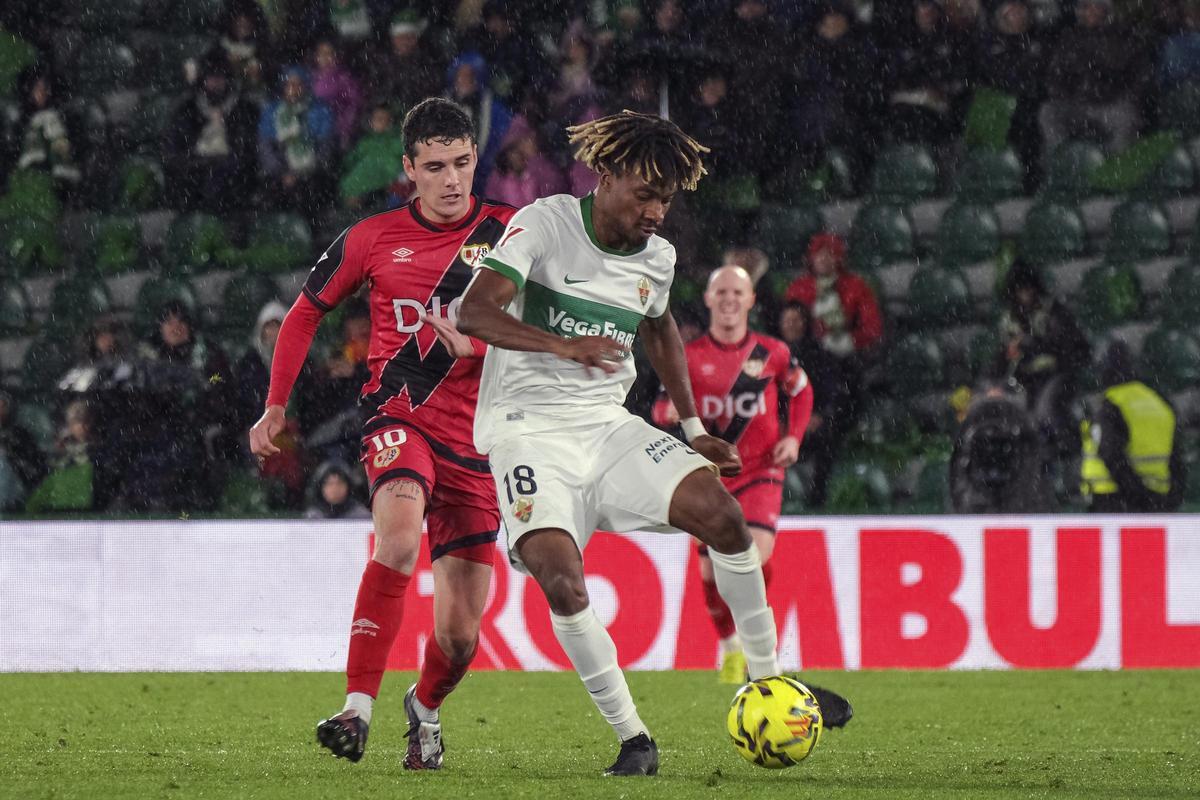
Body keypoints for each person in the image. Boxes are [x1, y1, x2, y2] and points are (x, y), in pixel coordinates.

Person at [458, 111, 786, 777]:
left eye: (665, 198)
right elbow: (474, 311)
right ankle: (634, 737)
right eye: (644, 193)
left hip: (606, 426)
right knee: (562, 579)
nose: (656, 211)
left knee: (724, 516)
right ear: (604, 177)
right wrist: (560, 344)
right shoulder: (545, 224)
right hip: (526, 430)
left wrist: (695, 430)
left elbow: (660, 329)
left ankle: (769, 683)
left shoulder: (657, 258)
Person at [249, 97, 517, 769]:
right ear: (409, 169)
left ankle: (423, 710)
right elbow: (305, 313)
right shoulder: (371, 237)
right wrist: (275, 405)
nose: (452, 180)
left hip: (480, 443)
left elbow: (542, 336)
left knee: (459, 638)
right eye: (435, 167)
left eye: (461, 163)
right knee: (396, 539)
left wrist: (477, 351)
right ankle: (355, 708)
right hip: (400, 419)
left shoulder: (512, 233)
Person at [650, 269, 848, 711]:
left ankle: (759, 648)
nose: (728, 299)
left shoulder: (773, 352)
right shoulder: (687, 354)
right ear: (707, 296)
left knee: (752, 557)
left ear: (751, 299)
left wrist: (794, 437)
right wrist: (672, 412)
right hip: (708, 475)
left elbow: (802, 391)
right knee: (708, 576)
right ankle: (730, 645)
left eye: (737, 292)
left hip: (760, 471)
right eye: (720, 290)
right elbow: (662, 404)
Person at [1080, 340, 1187, 512]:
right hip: (1157, 502)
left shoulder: (1111, 404)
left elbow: (1110, 454)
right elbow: (1176, 460)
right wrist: (1169, 500)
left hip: (1113, 500)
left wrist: (1136, 494)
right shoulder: (1161, 403)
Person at [1039, 0, 1148, 158]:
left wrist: (1125, 98)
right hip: (1077, 104)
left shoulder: (1125, 37)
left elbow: (1141, 76)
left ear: (1106, 10)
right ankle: (1064, 163)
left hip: (1113, 105)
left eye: (1096, 6)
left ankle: (1115, 169)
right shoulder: (1070, 38)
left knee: (1128, 119)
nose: (1091, 11)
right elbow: (1054, 76)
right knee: (1048, 112)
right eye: (1086, 7)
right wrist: (1068, 95)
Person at [776, 300, 853, 509]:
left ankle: (817, 501)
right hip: (777, 426)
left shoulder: (821, 357)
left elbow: (833, 394)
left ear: (805, 323)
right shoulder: (772, 355)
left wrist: (819, 416)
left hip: (812, 424)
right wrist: (778, 422)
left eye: (796, 320)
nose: (791, 325)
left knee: (828, 440)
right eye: (787, 320)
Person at [163, 50, 260, 213]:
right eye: (211, 78)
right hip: (194, 171)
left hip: (231, 176)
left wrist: (226, 162)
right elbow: (173, 149)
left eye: (220, 78)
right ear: (203, 80)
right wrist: (195, 162)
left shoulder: (244, 109)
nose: (215, 83)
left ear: (228, 80)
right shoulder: (187, 109)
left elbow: (248, 151)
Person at [305, 460, 372, 519]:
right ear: (321, 488)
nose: (335, 488)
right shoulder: (313, 517)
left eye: (340, 483)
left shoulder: (361, 516)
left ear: (348, 487)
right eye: (330, 484)